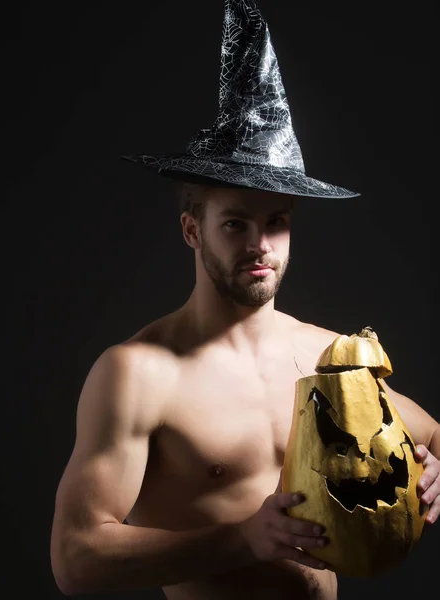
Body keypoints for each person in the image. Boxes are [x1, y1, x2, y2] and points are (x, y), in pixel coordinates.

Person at [50, 1, 440, 599]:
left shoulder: (329, 356)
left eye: (276, 222)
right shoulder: (138, 374)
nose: (260, 245)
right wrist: (243, 537)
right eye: (235, 224)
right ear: (191, 229)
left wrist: (435, 473)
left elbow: (431, 437)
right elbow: (76, 560)